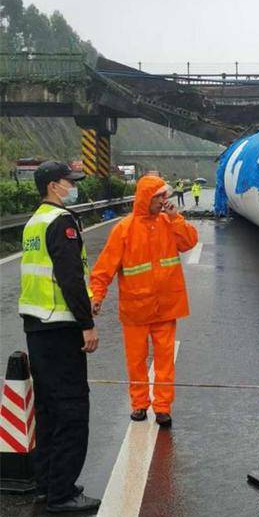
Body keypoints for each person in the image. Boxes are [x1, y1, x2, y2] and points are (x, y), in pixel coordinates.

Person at [18, 161, 100, 513]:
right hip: (61, 327)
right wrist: (86, 322)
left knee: (49, 409)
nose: (73, 187)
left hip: (37, 326)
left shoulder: (33, 222)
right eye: (70, 182)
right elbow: (69, 277)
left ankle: (48, 483)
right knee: (71, 410)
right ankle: (62, 494)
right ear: (54, 186)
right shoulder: (61, 221)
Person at [90, 175, 198, 426]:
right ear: (146, 198)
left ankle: (162, 407)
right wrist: (97, 296)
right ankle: (139, 404)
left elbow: (189, 242)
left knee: (164, 361)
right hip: (135, 309)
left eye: (164, 195)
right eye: (159, 196)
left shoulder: (168, 222)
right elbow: (104, 268)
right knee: (136, 361)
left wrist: (175, 217)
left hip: (166, 308)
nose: (164, 200)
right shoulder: (124, 229)